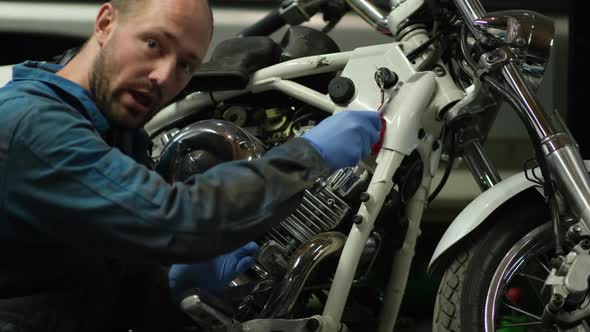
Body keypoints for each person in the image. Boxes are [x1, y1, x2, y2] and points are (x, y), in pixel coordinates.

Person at [0, 0, 381, 331]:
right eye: (153, 44)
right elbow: (174, 220)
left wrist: (165, 289)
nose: (163, 76)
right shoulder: (32, 122)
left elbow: (83, 287)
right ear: (105, 24)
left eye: (185, 65)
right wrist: (310, 153)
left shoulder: (116, 134)